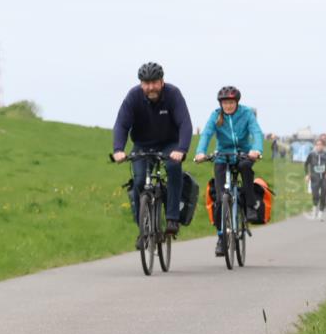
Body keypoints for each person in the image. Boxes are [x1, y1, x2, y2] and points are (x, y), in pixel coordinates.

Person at [112, 62, 192, 249]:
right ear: (141, 84)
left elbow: (185, 124)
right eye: (146, 83)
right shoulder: (133, 97)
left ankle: (172, 218)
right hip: (142, 145)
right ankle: (144, 229)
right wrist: (118, 149)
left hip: (169, 145)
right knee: (140, 182)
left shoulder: (173, 94)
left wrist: (181, 149)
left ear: (162, 81)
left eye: (154, 82)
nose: (150, 87)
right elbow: (121, 124)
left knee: (173, 168)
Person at [194, 86, 264, 256]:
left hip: (243, 154)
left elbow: (257, 132)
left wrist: (256, 150)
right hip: (222, 156)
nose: (228, 106)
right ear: (221, 103)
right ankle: (221, 238)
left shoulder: (246, 113)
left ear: (237, 102)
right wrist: (200, 152)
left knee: (245, 167)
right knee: (220, 198)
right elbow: (206, 134)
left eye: (231, 102)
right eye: (225, 103)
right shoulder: (216, 115)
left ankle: (250, 207)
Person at [305, 137, 326, 219]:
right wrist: (307, 174)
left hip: (324, 178)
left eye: (321, 145)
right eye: (317, 145)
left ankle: (320, 212)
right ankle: (315, 207)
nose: (319, 146)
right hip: (314, 178)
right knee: (315, 195)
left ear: (323, 146)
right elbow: (306, 164)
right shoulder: (311, 155)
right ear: (315, 146)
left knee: (323, 195)